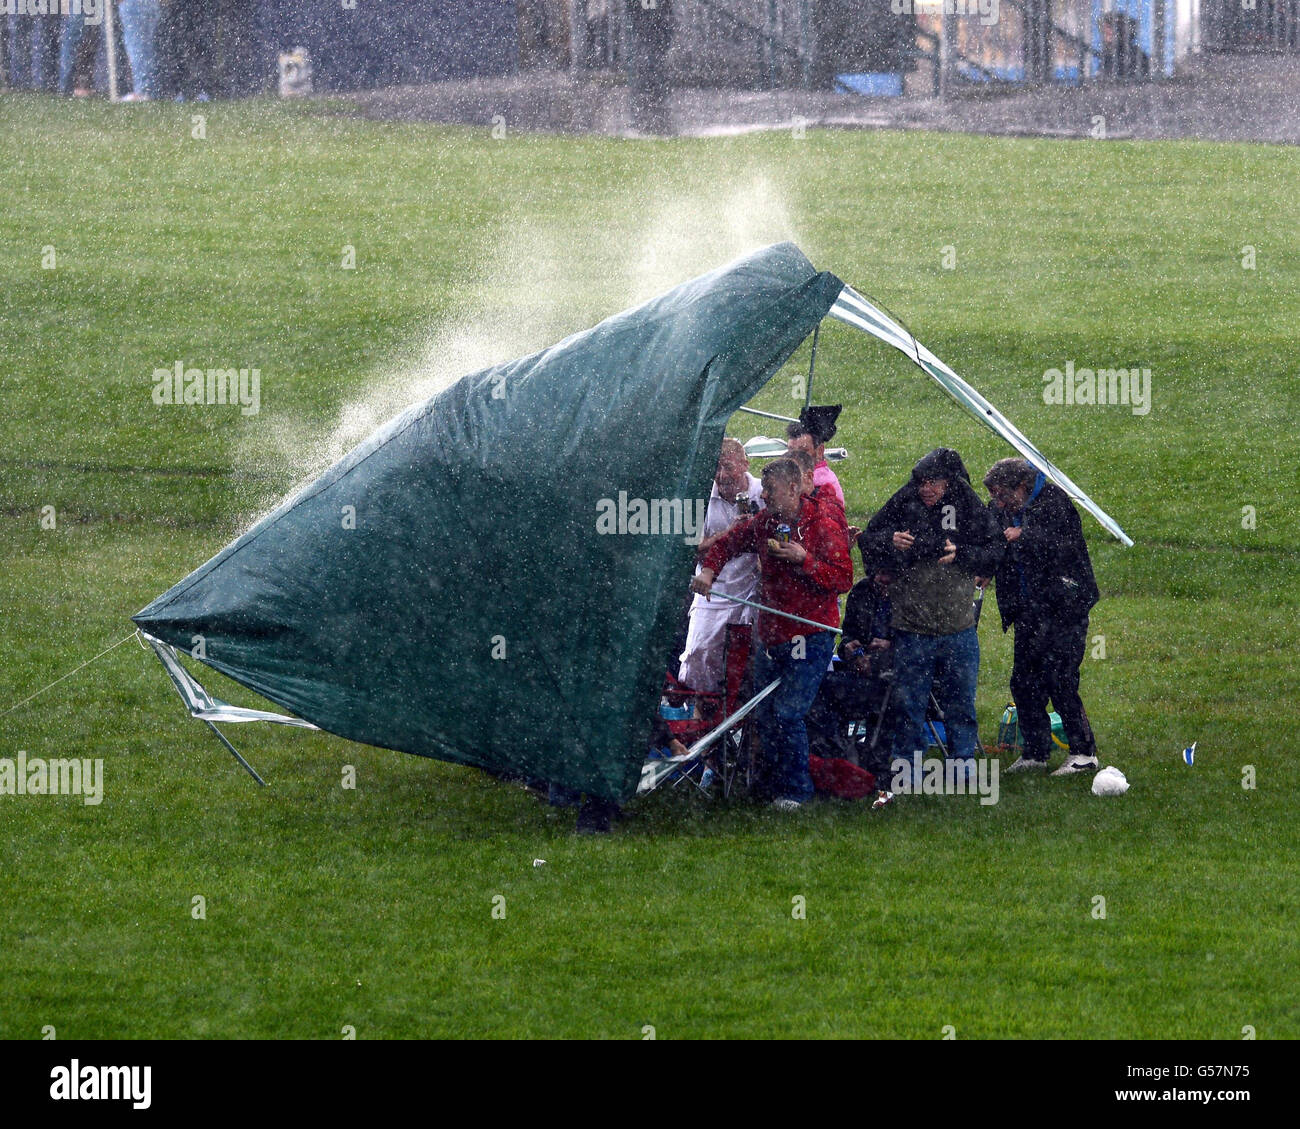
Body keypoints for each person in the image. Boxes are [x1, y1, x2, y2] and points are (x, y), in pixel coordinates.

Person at [692, 458, 854, 810]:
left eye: (771, 490)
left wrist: (804, 559)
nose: (763, 496)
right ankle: (768, 785)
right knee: (763, 714)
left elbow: (843, 578)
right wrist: (708, 573)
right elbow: (727, 544)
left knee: (788, 714)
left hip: (810, 634)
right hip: (771, 633)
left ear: (794, 489)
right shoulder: (766, 522)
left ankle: (796, 792)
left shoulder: (823, 523)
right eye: (763, 489)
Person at [859, 448, 1003, 785]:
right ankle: (907, 767)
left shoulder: (966, 506)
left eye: (934, 484)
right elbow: (868, 539)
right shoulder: (904, 502)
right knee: (909, 704)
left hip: (958, 626)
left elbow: (995, 548)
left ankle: (962, 765)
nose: (927, 490)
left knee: (960, 703)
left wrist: (961, 553)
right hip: (912, 626)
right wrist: (890, 541)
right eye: (922, 483)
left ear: (949, 482)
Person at [982, 457, 1101, 775]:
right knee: (1023, 681)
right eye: (994, 496)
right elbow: (990, 538)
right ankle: (1036, 751)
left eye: (1003, 495)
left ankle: (1084, 753)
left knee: (1060, 678)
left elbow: (1065, 547)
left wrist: (1025, 536)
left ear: (1023, 486)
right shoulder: (1003, 508)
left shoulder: (1054, 502)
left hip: (1065, 606)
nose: (998, 503)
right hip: (1028, 610)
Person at [678, 438, 763, 693]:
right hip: (712, 590)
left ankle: (744, 721)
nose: (722, 475)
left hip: (752, 589)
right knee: (698, 655)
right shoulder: (701, 496)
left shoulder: (763, 492)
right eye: (716, 468)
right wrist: (728, 533)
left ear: (745, 463)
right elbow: (688, 549)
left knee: (752, 659)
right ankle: (700, 716)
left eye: (728, 467)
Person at [785, 404, 845, 507]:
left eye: (803, 451)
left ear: (820, 451)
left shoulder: (819, 483)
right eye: (790, 450)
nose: (794, 457)